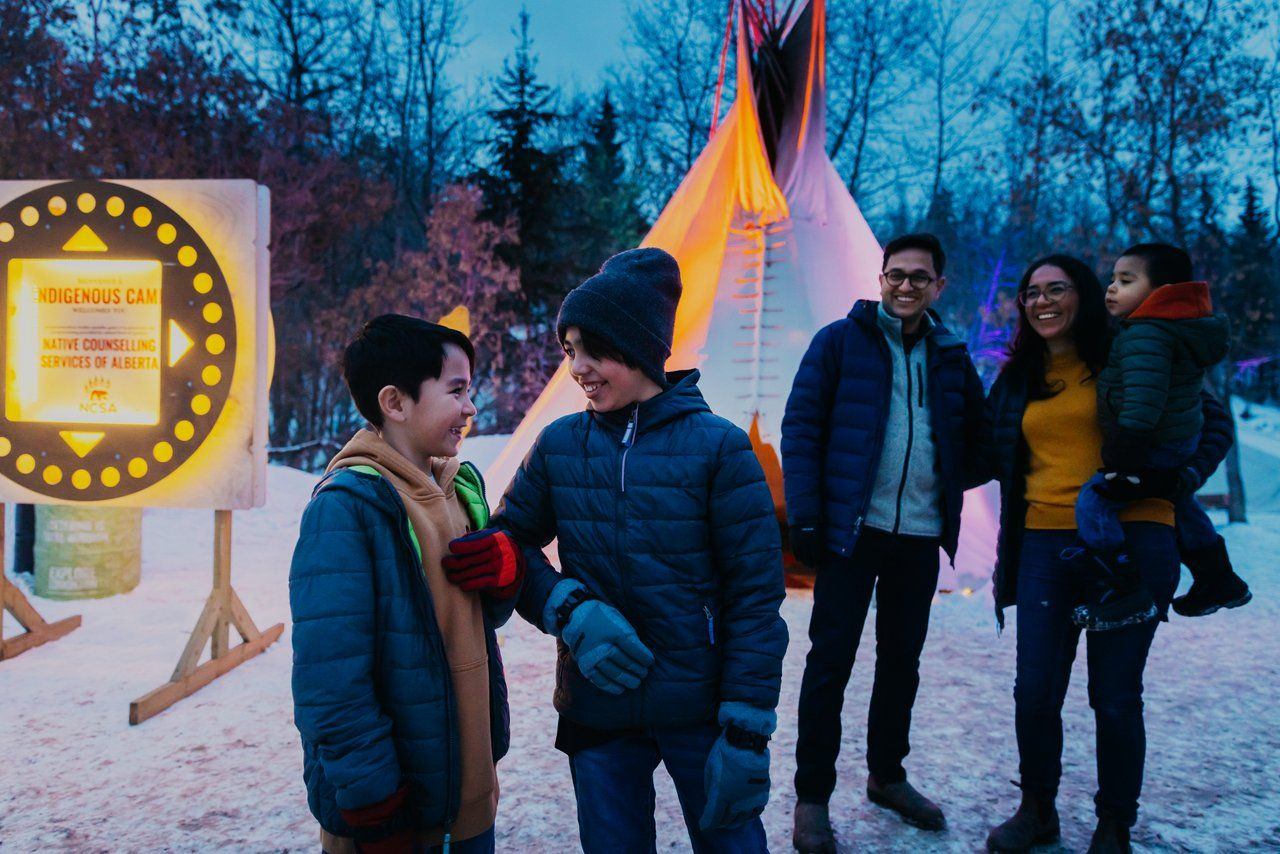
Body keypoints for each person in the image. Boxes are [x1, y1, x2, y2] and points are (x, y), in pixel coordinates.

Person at [449, 248, 788, 853]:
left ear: (638, 346)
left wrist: (746, 729)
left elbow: (755, 599)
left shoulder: (721, 450)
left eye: (592, 349)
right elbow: (512, 543)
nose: (577, 367)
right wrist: (567, 608)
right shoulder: (559, 445)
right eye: (569, 350)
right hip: (597, 705)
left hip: (701, 711)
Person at [980, 256, 1234, 853]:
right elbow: (983, 453)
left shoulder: (1135, 351)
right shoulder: (1018, 376)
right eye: (1031, 293)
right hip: (1043, 543)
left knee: (1115, 695)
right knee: (1034, 690)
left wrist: (1181, 478)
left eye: (1057, 290)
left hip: (1134, 538)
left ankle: (1114, 822)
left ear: (1085, 296)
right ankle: (1037, 808)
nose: (1042, 302)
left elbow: (1213, 424)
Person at [782, 232, 988, 852]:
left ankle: (887, 776)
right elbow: (801, 428)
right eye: (896, 275)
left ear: (938, 287)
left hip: (919, 537)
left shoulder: (950, 356)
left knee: (902, 664)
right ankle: (812, 797)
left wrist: (950, 476)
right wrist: (809, 519)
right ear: (880, 278)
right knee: (830, 665)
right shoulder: (839, 343)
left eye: (919, 278)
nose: (905, 286)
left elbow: (978, 434)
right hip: (853, 534)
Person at [290, 315, 519, 854]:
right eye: (456, 390)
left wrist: (506, 578)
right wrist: (374, 807)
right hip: (391, 815)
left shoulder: (462, 486)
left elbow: (476, 616)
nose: (470, 407)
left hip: (465, 795)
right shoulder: (347, 508)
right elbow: (331, 679)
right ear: (394, 403)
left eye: (471, 390)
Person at [1070, 243, 1248, 630]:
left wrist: (1125, 454)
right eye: (1112, 280)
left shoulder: (1145, 336)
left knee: (1095, 501)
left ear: (1161, 292)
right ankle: (1218, 577)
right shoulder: (1175, 332)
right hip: (1176, 440)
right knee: (1178, 499)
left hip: (1151, 442)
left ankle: (1121, 588)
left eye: (1125, 280)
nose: (1111, 289)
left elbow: (1143, 400)